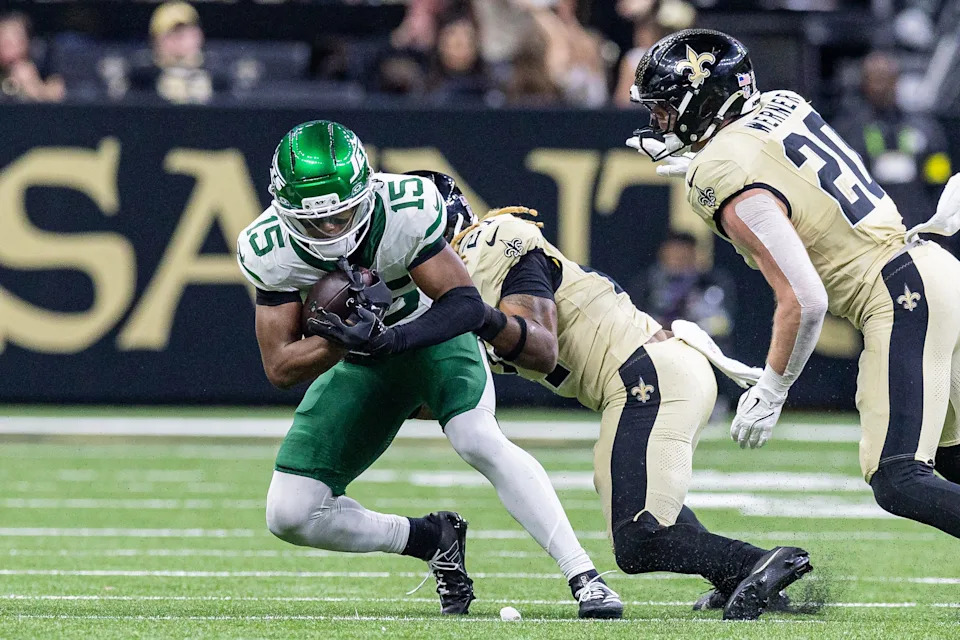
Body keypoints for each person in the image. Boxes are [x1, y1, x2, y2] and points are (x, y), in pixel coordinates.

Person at [236, 121, 621, 618]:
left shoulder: (405, 205)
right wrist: (339, 338)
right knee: (289, 513)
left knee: (477, 438)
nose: (333, 230)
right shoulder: (269, 247)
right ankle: (430, 538)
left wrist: (390, 337)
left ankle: (583, 575)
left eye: (342, 214)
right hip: (359, 363)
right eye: (318, 222)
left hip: (431, 336)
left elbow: (462, 305)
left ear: (366, 188)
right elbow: (280, 367)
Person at [628, 29, 960, 542]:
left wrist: (773, 387)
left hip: (898, 292)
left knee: (898, 477)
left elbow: (805, 299)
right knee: (952, 455)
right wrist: (711, 159)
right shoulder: (784, 103)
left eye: (665, 108)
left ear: (703, 100)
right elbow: (777, 166)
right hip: (932, 269)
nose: (657, 122)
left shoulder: (720, 170)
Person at [437, 173, 812, 620]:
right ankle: (733, 574)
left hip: (650, 378)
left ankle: (758, 563)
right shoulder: (465, 276)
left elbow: (539, 346)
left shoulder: (492, 243)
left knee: (637, 540)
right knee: (634, 505)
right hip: (649, 379)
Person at [832, 52, 952, 241]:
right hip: (870, 234)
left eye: (885, 78)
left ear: (897, 80)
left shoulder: (925, 129)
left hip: (918, 227)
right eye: (874, 79)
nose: (881, 87)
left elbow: (940, 180)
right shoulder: (846, 132)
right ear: (864, 84)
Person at [129, 1, 229, 104]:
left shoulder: (219, 75)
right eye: (170, 34)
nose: (178, 41)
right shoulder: (141, 79)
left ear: (198, 35)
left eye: (184, 34)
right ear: (155, 39)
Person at [0, 12, 64, 102]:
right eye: (4, 41)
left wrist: (32, 85)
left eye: (14, 40)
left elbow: (57, 95)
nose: (8, 46)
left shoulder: (43, 66)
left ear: (27, 41)